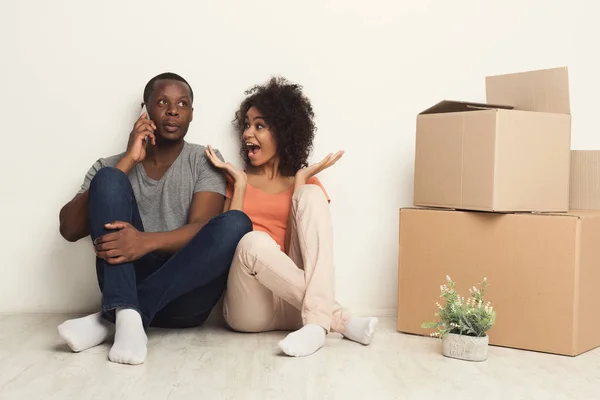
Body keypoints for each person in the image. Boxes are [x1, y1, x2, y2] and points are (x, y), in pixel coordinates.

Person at [57, 72, 252, 365]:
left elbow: (203, 229)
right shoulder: (109, 165)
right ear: (145, 109)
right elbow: (69, 229)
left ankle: (113, 318)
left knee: (237, 222)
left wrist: (143, 242)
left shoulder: (204, 159)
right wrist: (128, 162)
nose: (173, 110)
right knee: (109, 179)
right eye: (163, 102)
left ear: (191, 114)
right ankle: (126, 316)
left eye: (183, 104)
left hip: (186, 296)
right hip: (127, 280)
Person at [205, 77, 378, 357]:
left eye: (259, 126)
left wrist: (300, 182)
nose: (248, 133)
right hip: (250, 307)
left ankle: (315, 326)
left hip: (296, 306)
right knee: (252, 241)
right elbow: (225, 249)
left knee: (311, 195)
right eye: (247, 125)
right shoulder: (237, 180)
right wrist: (238, 184)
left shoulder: (306, 185)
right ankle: (339, 321)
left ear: (283, 133)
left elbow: (294, 252)